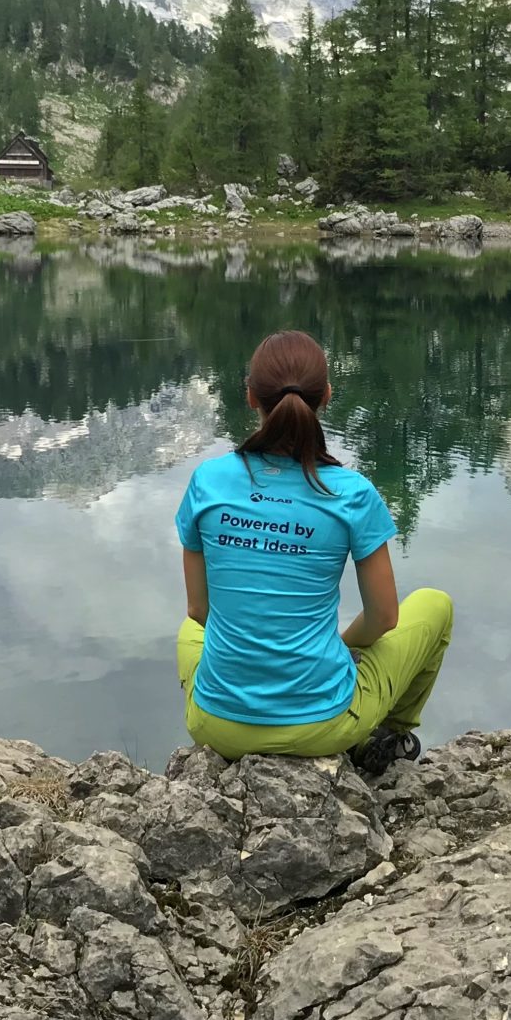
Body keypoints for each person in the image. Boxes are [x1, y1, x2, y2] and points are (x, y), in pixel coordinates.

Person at [174, 329, 451, 775]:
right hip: (323, 725)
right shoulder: (351, 493)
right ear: (326, 396)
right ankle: (382, 737)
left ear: (249, 396)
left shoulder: (208, 481)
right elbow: (384, 619)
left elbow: (199, 608)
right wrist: (340, 646)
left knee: (189, 633)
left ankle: (237, 708)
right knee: (435, 605)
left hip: (215, 725)